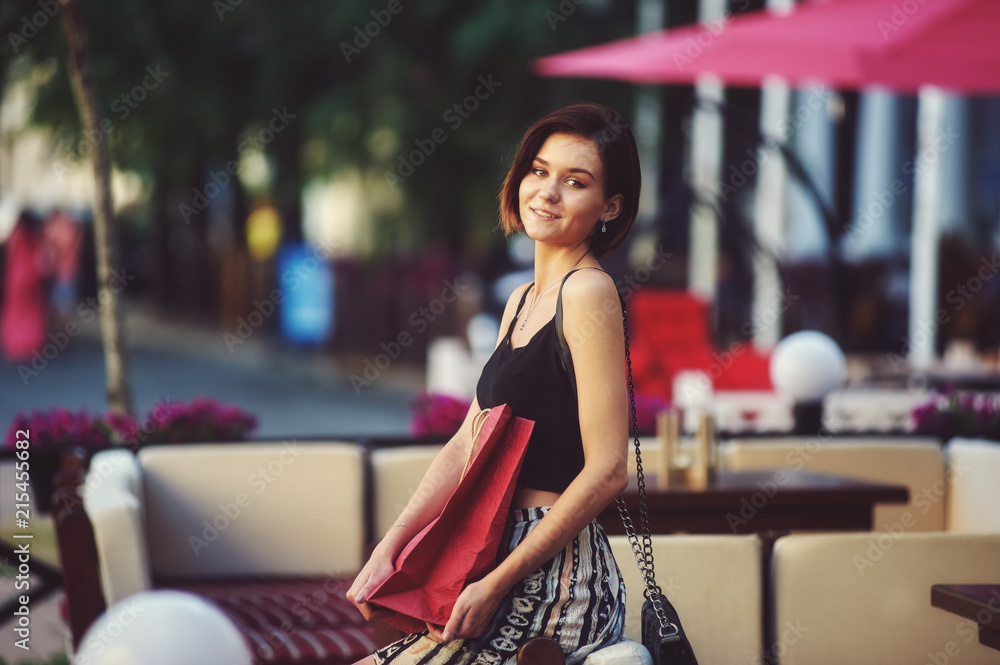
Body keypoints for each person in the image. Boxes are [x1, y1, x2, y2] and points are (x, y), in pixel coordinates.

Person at [347, 103, 642, 665]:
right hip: (491, 552)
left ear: (610, 206)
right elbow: (467, 442)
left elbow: (607, 472)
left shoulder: (589, 294)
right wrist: (390, 549)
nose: (548, 192)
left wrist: (497, 582)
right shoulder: (520, 302)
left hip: (556, 580)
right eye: (538, 170)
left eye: (575, 182)